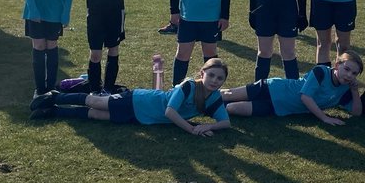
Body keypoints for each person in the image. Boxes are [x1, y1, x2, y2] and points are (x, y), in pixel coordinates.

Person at [41, 58, 231, 136]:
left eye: (220, 78)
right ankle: (54, 98)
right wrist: (192, 129)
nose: (215, 80)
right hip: (138, 100)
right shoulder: (189, 85)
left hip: (143, 118)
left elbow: (225, 122)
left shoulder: (214, 98)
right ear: (202, 73)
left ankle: (55, 112)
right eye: (211, 75)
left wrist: (208, 126)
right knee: (95, 102)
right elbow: (170, 112)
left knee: (97, 115)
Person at [220, 53, 363, 128]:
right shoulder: (321, 72)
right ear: (337, 65)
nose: (349, 75)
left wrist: (355, 91)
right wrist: (325, 117)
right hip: (271, 88)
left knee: (232, 108)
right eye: (347, 69)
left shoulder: (346, 88)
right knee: (227, 94)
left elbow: (356, 113)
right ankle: (201, 91)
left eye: (354, 73)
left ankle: (206, 105)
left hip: (277, 108)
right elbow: (305, 97)